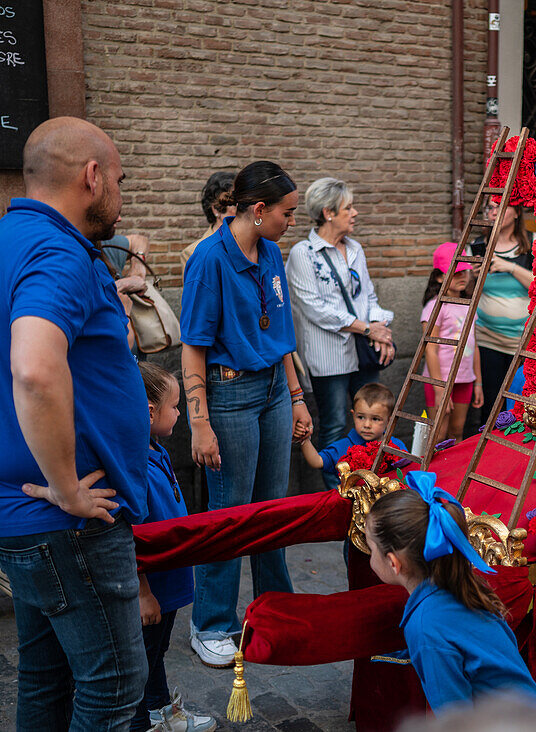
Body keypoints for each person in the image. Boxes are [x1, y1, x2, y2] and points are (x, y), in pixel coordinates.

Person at [0, 117, 149, 729]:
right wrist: (65, 487)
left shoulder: (12, 237)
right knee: (114, 685)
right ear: (92, 177)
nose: (120, 192)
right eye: (118, 178)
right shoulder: (58, 250)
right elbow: (34, 368)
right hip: (65, 521)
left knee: (45, 678)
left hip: (22, 514)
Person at [180, 160, 313, 668]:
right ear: (258, 210)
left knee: (272, 509)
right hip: (229, 395)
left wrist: (297, 397)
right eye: (287, 212)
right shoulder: (210, 260)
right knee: (230, 512)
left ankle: (276, 610)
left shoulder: (272, 251)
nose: (291, 221)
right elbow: (193, 347)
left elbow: (281, 336)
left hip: (275, 390)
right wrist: (199, 421)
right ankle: (211, 623)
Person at [366, 473, 536, 712]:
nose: (370, 557)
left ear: (393, 563)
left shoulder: (426, 625)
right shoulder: (465, 588)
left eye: (371, 548)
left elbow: (454, 717)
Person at [286, 177, 395, 490]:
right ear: (328, 212)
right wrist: (367, 327)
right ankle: (338, 493)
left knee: (375, 417)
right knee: (334, 423)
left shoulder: (355, 248)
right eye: (349, 207)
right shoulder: (302, 254)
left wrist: (380, 330)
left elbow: (368, 297)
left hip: (363, 353)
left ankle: (371, 484)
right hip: (328, 357)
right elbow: (315, 309)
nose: (355, 212)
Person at [131, 363, 216, 732]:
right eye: (175, 406)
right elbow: (129, 538)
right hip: (154, 591)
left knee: (155, 653)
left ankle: (160, 710)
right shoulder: (133, 465)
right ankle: (142, 722)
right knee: (143, 659)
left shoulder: (155, 448)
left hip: (169, 583)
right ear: (150, 412)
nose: (181, 413)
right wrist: (143, 592)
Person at [472, 200, 534, 412]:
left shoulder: (533, 244)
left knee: (521, 403)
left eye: (500, 206)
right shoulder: (479, 245)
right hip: (488, 338)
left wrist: (510, 267)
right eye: (489, 207)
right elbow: (469, 293)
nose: (493, 212)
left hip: (524, 341)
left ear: (517, 212)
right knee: (492, 404)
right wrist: (472, 277)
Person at [423, 242, 484, 443]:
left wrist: (478, 383)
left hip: (465, 379)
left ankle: (451, 475)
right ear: (440, 277)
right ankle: (431, 474)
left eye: (464, 272)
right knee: (438, 435)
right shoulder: (435, 307)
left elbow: (473, 345)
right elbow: (430, 350)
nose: (462, 277)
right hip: (440, 380)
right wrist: (440, 389)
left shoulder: (469, 305)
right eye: (456, 273)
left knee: (457, 433)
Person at [300, 383, 406, 475]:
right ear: (353, 415)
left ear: (389, 421)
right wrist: (304, 439)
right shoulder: (344, 446)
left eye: (375, 419)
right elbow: (317, 461)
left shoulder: (396, 447)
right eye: (361, 417)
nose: (367, 424)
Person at [181, 171, 236, 266]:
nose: (241, 208)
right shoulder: (192, 253)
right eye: (233, 204)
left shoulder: (254, 246)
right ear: (216, 209)